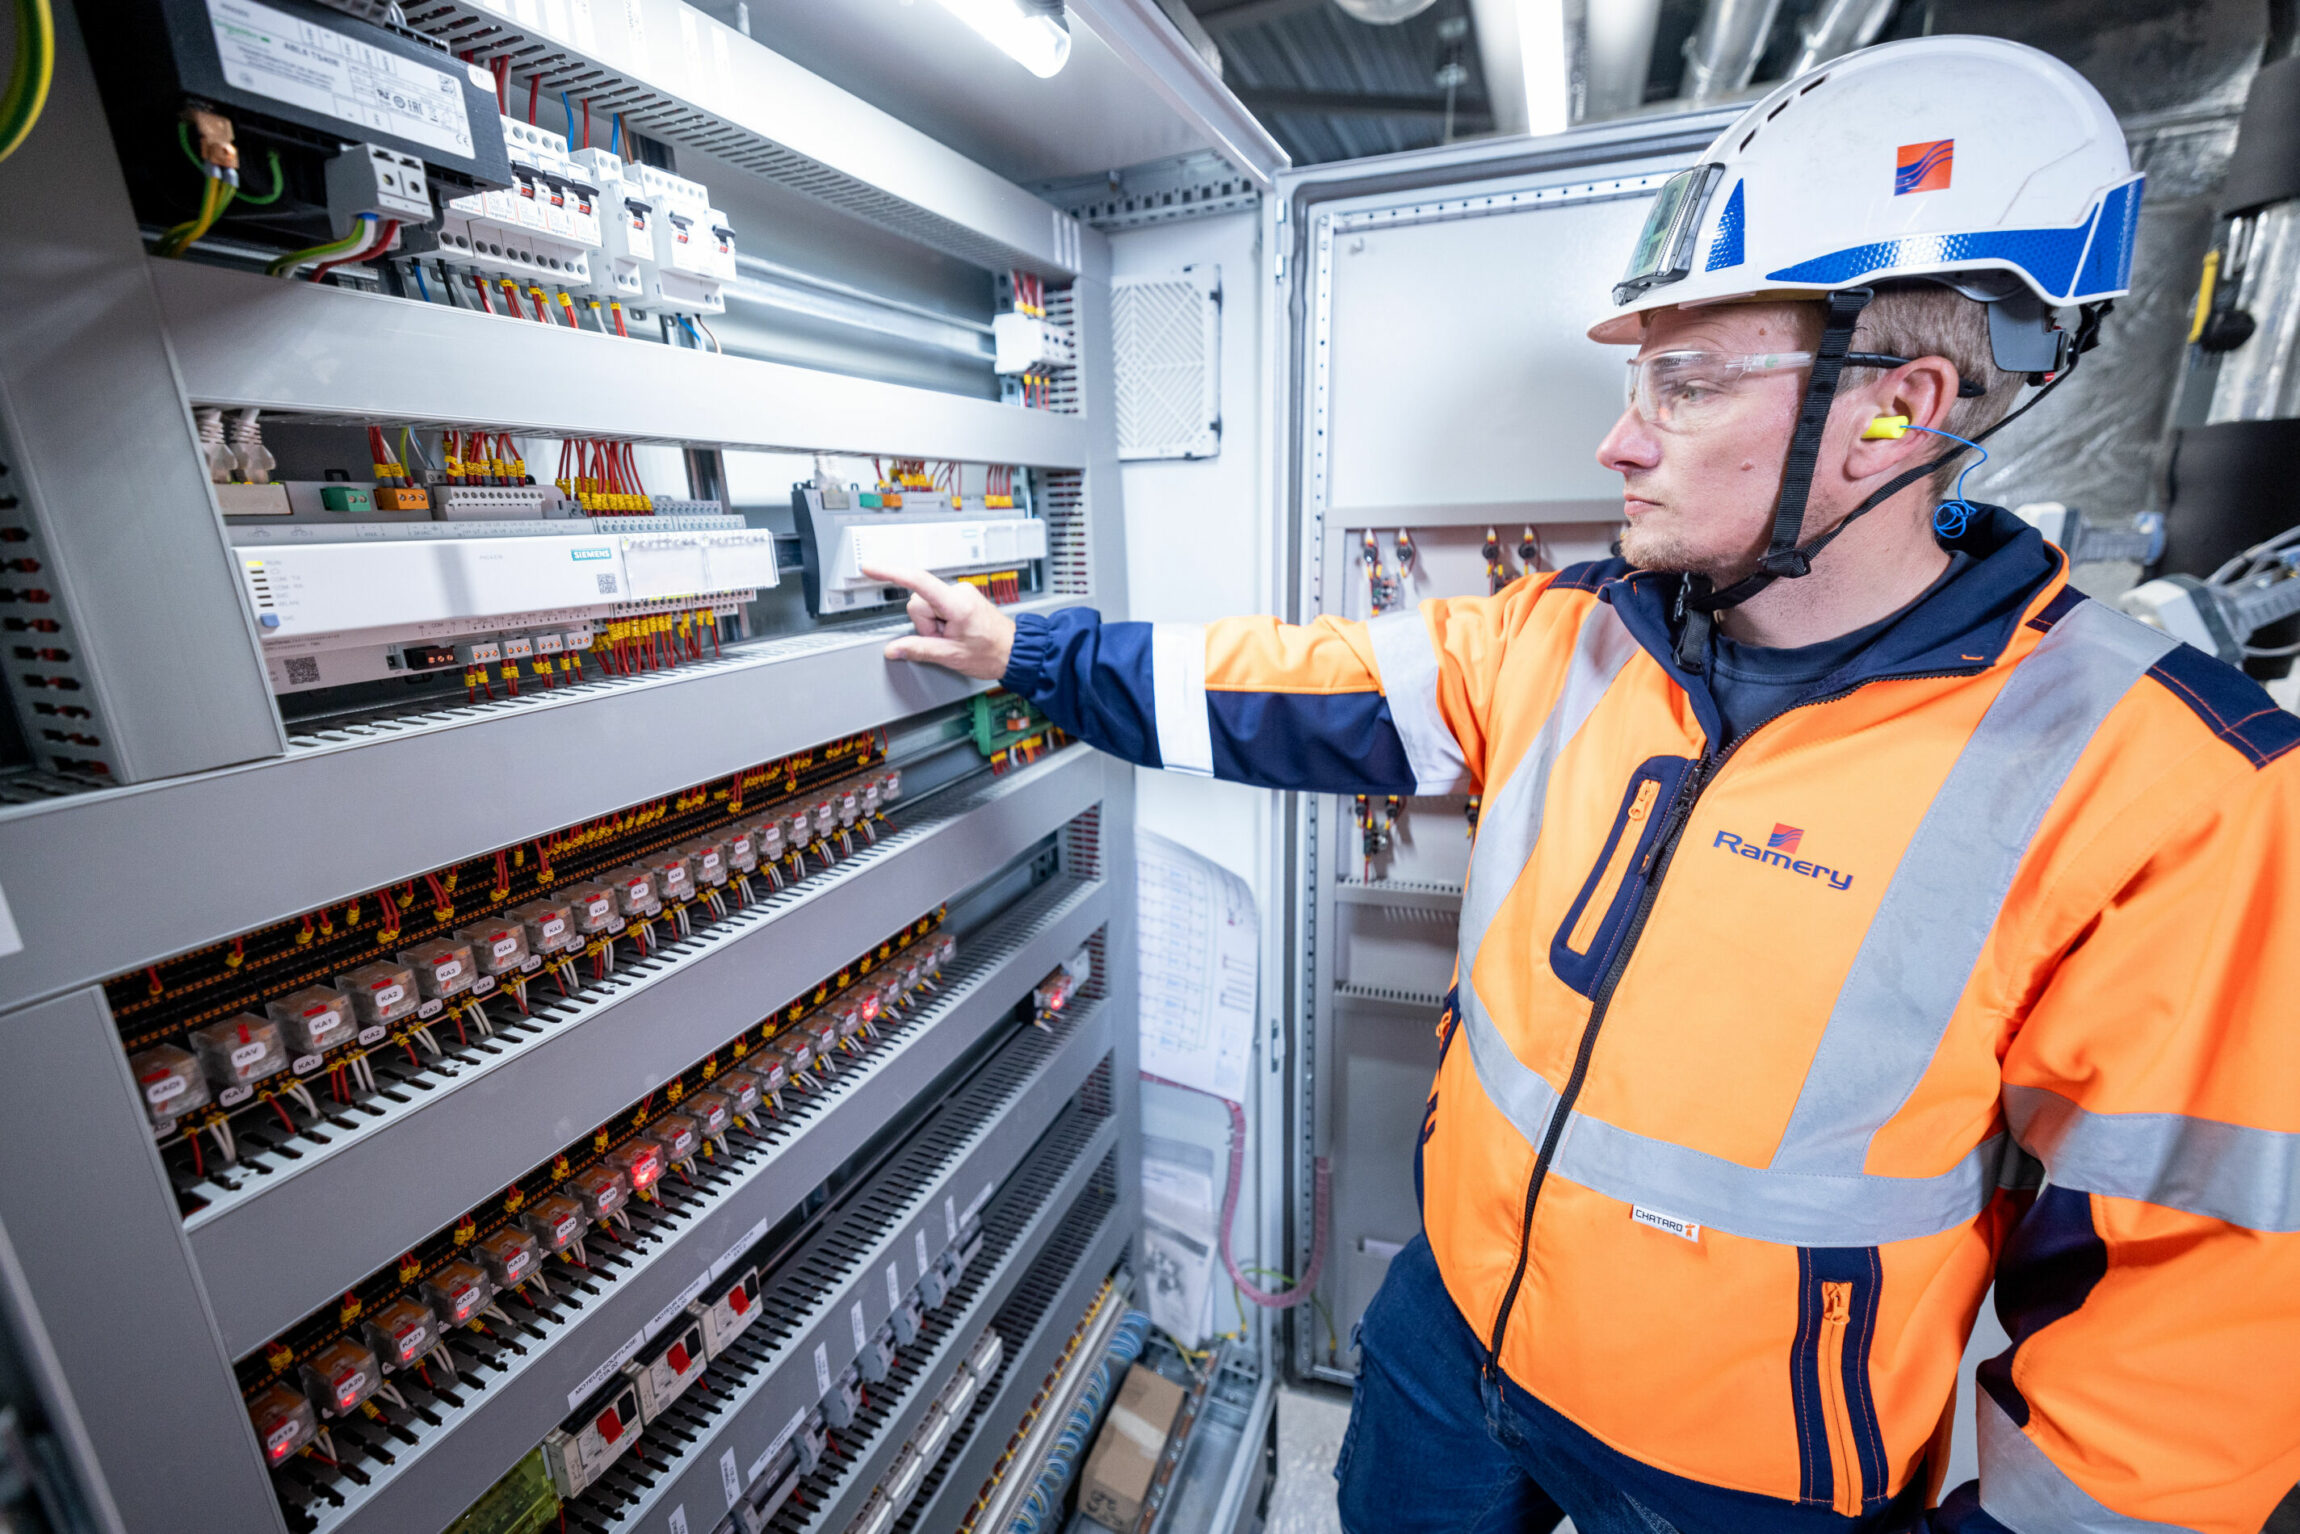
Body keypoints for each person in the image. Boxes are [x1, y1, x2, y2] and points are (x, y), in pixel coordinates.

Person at [869, 35, 2300, 1534]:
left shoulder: (2162, 784)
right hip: (1458, 1328)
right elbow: (1280, 687)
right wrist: (1022, 646)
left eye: (1682, 384)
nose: (1619, 437)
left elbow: (2201, 1310)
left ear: (1902, 403)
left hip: (1748, 1471)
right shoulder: (1571, 640)